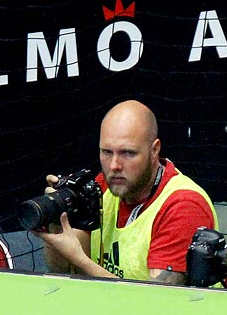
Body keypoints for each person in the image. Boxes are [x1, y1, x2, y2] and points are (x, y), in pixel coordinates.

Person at [38, 100, 217, 284]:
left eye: (128, 153)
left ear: (154, 149)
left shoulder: (184, 206)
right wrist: (57, 232)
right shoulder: (104, 188)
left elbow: (158, 303)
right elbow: (64, 269)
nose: (114, 165)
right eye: (107, 152)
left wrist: (81, 260)